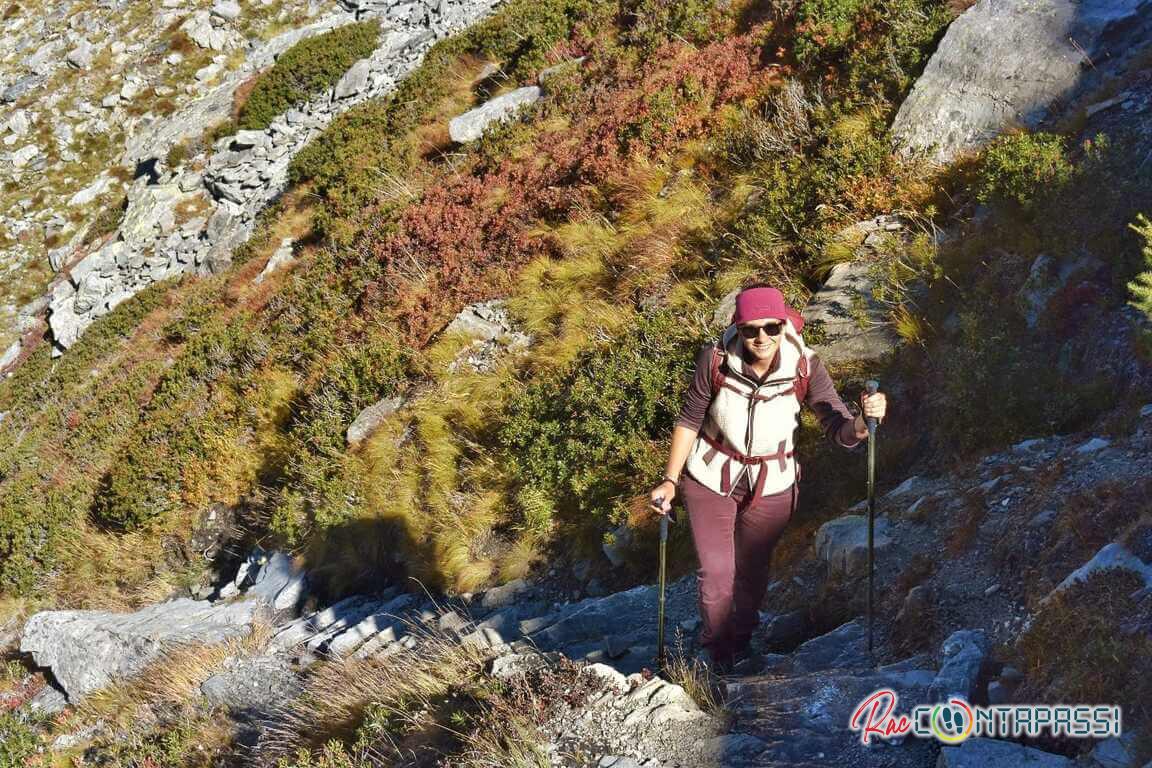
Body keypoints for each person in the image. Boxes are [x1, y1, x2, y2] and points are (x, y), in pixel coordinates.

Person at [648, 284, 887, 672]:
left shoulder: (806, 365)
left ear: (783, 325)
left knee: (754, 572)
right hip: (711, 476)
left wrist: (863, 423)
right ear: (737, 330)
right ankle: (718, 653)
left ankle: (740, 641)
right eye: (750, 330)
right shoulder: (716, 361)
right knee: (717, 572)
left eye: (771, 328)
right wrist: (670, 480)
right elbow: (691, 418)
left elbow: (837, 426)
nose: (761, 338)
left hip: (773, 482)